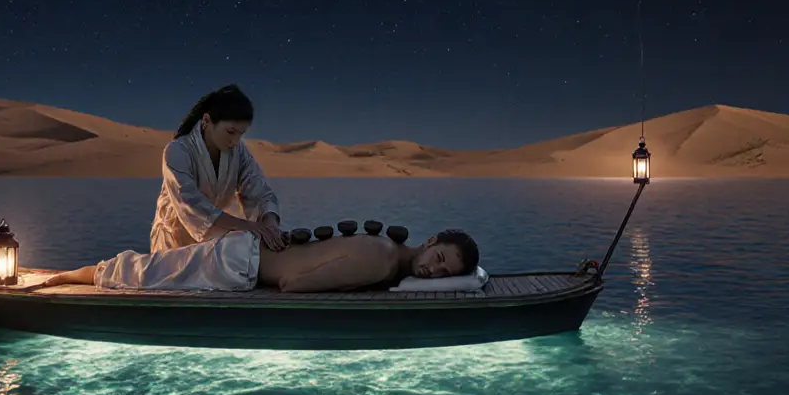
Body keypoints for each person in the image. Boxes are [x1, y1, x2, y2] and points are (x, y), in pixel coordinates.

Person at [36, 228, 480, 294]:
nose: (434, 271)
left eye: (445, 273)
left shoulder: (388, 255)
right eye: (439, 257)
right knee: (141, 274)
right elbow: (296, 284)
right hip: (239, 264)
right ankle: (61, 278)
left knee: (151, 268)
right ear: (429, 241)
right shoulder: (383, 261)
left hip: (243, 255)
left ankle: (69, 275)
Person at [149, 84, 286, 254]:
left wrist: (269, 222)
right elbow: (191, 204)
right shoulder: (177, 151)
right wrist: (248, 226)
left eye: (240, 134)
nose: (235, 141)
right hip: (173, 245)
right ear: (206, 121)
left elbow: (258, 189)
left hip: (214, 244)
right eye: (230, 132)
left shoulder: (238, 151)